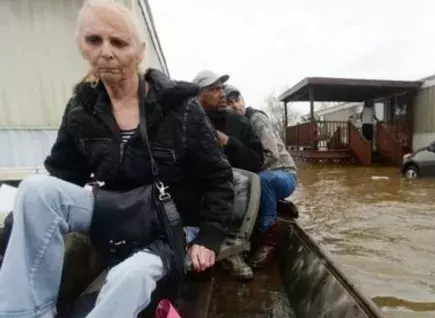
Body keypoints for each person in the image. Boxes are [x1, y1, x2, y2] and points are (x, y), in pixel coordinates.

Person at [0, 2, 234, 317]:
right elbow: (62, 177)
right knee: (36, 188)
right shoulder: (81, 109)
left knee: (129, 276)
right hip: (116, 212)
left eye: (119, 43)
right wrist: (12, 231)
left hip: (170, 224)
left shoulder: (181, 109)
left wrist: (210, 237)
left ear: (139, 51)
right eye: (94, 40)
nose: (105, 52)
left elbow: (218, 178)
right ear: (80, 44)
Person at [190, 72, 263, 281]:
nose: (222, 94)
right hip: (196, 187)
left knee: (246, 181)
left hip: (230, 188)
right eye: (213, 89)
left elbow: (256, 161)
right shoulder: (188, 121)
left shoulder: (237, 122)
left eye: (222, 88)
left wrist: (229, 143)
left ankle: (232, 248)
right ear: (198, 95)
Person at [225, 84, 297, 268]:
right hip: (262, 178)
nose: (235, 105)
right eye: (229, 102)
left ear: (243, 100)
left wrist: (246, 176)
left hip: (283, 174)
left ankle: (269, 243)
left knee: (261, 180)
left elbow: (271, 154)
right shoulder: (232, 124)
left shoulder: (255, 119)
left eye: (237, 99)